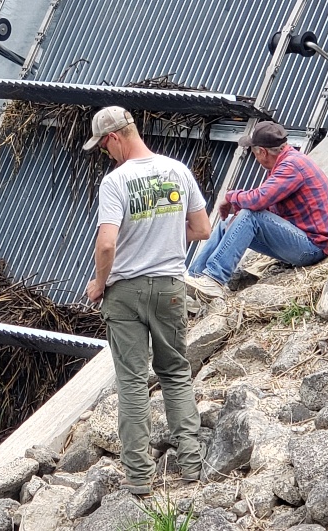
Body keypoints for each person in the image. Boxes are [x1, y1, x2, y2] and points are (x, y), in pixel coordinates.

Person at [83, 106, 212, 494]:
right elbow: (203, 229)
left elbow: (107, 243)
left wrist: (98, 283)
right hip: (170, 287)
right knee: (175, 373)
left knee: (133, 383)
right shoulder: (179, 170)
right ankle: (191, 466)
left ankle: (139, 478)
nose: (106, 155)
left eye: (104, 147)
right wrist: (167, 237)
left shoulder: (116, 181)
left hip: (125, 293)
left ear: (113, 138)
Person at [186, 120, 328, 300]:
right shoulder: (286, 163)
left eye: (254, 153)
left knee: (250, 215)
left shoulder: (291, 166)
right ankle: (195, 279)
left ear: (263, 152)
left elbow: (258, 201)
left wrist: (230, 196)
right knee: (227, 222)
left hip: (313, 247)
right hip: (303, 240)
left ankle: (214, 278)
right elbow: (267, 205)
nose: (255, 158)